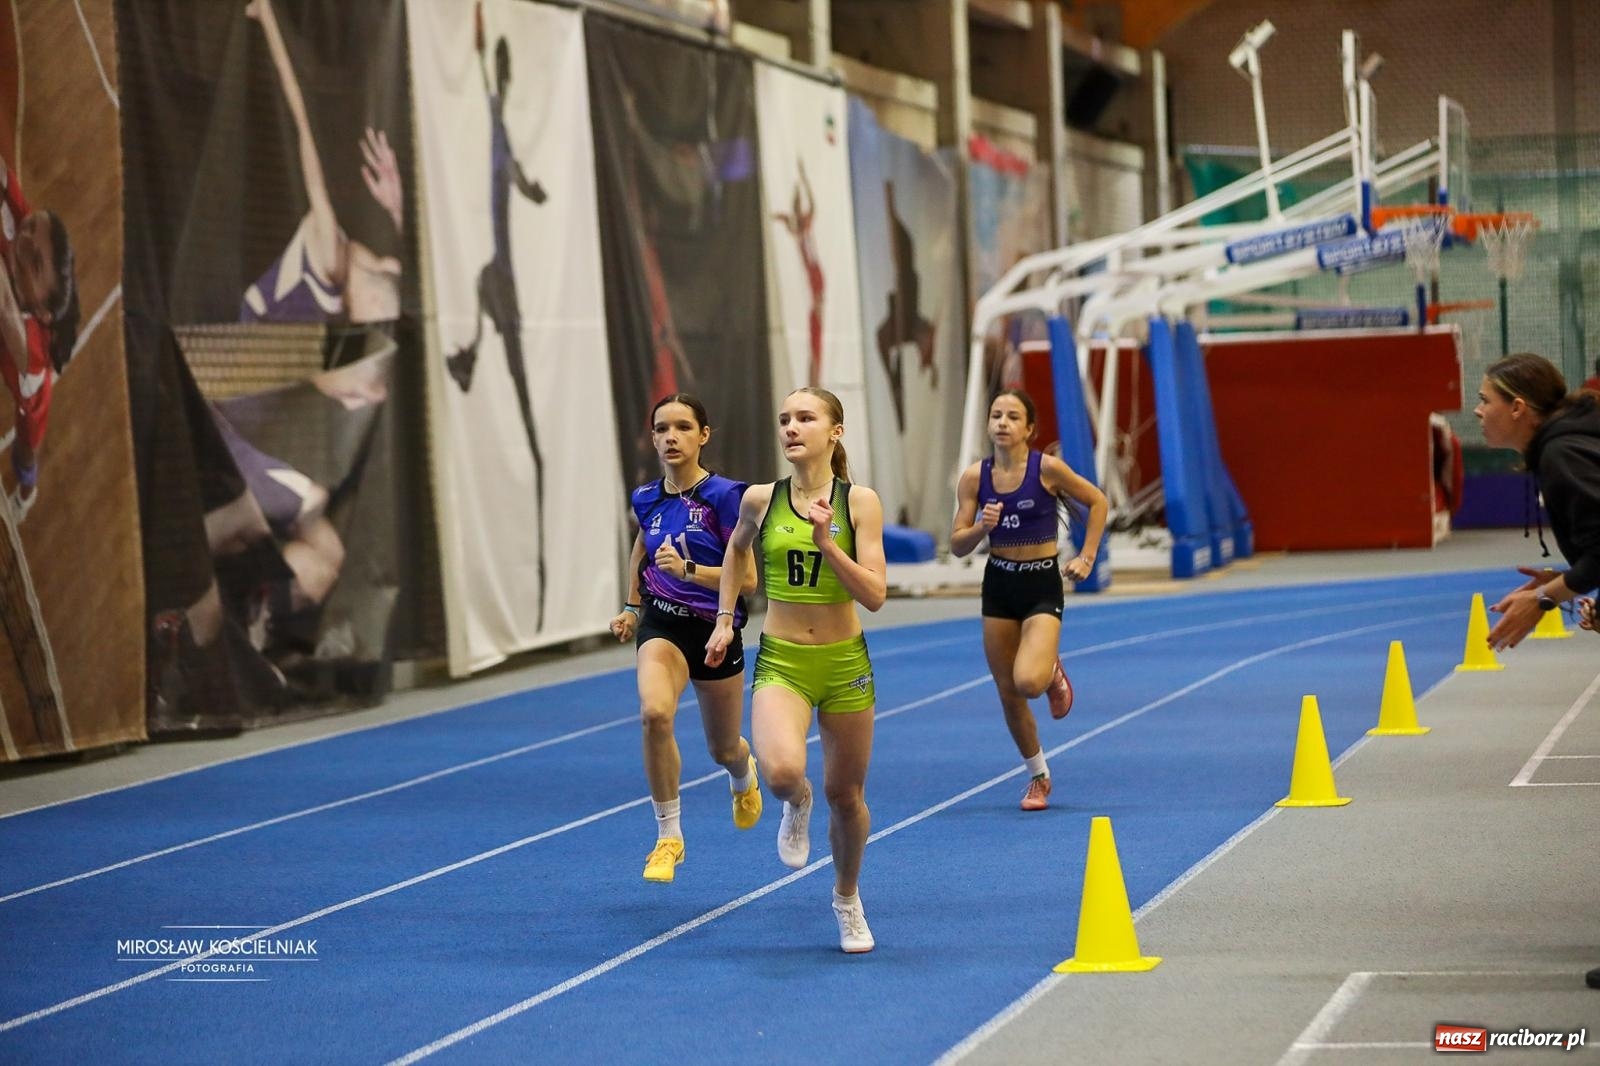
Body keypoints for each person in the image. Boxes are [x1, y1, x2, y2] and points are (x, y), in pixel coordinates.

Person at [706, 387, 887, 953]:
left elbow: (875, 595)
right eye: (784, 418)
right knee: (783, 774)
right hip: (783, 659)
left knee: (847, 796)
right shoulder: (761, 499)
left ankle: (847, 899)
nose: (791, 427)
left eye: (805, 418)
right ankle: (796, 801)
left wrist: (828, 545)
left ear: (835, 432)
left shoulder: (860, 503)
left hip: (844, 662)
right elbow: (736, 551)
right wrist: (724, 619)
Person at [1474, 354, 1600, 993]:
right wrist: (1565, 581)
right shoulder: (1568, 444)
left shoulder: (1563, 454)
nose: (1477, 411)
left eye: (1485, 399)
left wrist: (1548, 597)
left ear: (1518, 407)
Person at [609, 394, 762, 884]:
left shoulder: (726, 496)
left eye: (682, 427)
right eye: (661, 429)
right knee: (655, 714)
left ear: (704, 435)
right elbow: (643, 545)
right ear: (652, 438)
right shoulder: (646, 497)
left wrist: (690, 570)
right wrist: (632, 606)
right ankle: (668, 836)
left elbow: (749, 580)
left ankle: (742, 774)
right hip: (663, 623)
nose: (671, 437)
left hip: (716, 628)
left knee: (724, 748)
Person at [950, 389, 1108, 812]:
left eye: (1012, 416)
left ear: (1029, 429)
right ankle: (1038, 776)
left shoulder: (1047, 469)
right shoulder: (974, 478)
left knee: (1028, 682)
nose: (1002, 423)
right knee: (1009, 692)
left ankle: (1051, 670)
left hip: (1041, 584)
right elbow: (957, 545)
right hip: (999, 585)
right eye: (996, 415)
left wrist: (1087, 556)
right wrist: (981, 528)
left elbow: (1097, 501)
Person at [445, 4, 551, 630]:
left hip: (497, 275)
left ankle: (470, 351)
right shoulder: (489, 117)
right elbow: (485, 70)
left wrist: (533, 188)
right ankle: (470, 352)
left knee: (526, 407)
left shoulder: (501, 132)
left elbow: (523, 180)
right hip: (496, 275)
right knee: (522, 400)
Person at [243, 0, 403, 325]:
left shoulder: (332, 260)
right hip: (281, 304)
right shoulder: (387, 268)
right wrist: (396, 207)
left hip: (256, 316)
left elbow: (303, 126)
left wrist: (268, 19)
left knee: (301, 116)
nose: (352, 311)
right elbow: (406, 264)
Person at [0, 152, 78, 522]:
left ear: (43, 313)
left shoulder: (32, 350)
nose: (26, 241)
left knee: (25, 451)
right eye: (31, 226)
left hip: (26, 394)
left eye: (35, 264)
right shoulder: (22, 228)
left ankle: (27, 495)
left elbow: (5, 305)